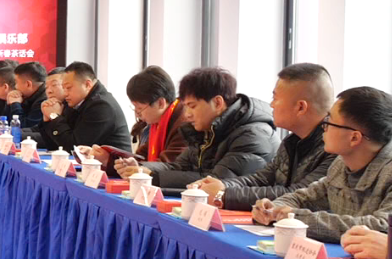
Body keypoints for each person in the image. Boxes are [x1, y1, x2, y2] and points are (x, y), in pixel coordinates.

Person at [254, 87, 392, 243]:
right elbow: (303, 197)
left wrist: (296, 219)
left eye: (328, 122)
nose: (323, 128)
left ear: (354, 138)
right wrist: (274, 208)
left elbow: (384, 227)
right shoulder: (341, 163)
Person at [190, 63, 335, 210]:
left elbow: (298, 195)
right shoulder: (292, 141)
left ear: (300, 107)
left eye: (275, 98)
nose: (271, 105)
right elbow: (262, 178)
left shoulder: (335, 147)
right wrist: (222, 185)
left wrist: (223, 195)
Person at [115, 67, 276, 188]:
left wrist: (153, 176)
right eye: (185, 106)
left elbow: (214, 182)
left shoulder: (252, 135)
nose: (187, 114)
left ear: (217, 103)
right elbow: (178, 166)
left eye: (192, 106)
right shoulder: (205, 130)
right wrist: (143, 169)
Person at [93, 67, 186, 170]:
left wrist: (137, 168)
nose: (137, 115)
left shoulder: (183, 124)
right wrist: (108, 160)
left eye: (140, 108)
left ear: (160, 103)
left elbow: (168, 166)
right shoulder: (157, 123)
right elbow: (140, 158)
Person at [39, 62, 131, 153]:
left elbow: (74, 148)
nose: (65, 93)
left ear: (87, 84)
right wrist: (48, 119)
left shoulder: (101, 106)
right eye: (64, 88)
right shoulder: (76, 102)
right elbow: (55, 146)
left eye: (68, 87)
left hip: (115, 162)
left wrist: (54, 116)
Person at [35, 66, 71, 150]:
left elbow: (69, 146)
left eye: (54, 85)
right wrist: (46, 120)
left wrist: (55, 117)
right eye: (46, 87)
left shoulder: (74, 107)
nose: (49, 91)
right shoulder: (51, 106)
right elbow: (51, 146)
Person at [12, 62, 49, 133]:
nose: (15, 87)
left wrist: (15, 104)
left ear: (28, 84)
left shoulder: (43, 100)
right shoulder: (28, 96)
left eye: (16, 82)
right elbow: (6, 121)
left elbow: (23, 126)